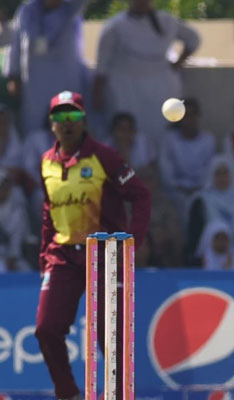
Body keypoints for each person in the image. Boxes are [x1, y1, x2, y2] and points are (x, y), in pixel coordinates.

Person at [34, 91, 150, 400]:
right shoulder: (46, 162)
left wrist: (131, 242)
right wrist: (45, 256)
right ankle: (68, 394)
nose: (66, 123)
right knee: (46, 329)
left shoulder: (104, 156)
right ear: (52, 124)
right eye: (60, 117)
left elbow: (140, 195)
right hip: (62, 255)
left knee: (110, 336)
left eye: (73, 117)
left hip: (105, 252)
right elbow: (49, 212)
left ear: (84, 121)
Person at [92, 0, 200, 144]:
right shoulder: (116, 25)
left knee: (162, 131)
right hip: (126, 89)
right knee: (129, 132)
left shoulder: (166, 20)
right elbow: (102, 64)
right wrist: (97, 93)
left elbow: (193, 39)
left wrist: (177, 64)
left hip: (162, 88)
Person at [4, 0, 89, 135]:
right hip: (34, 85)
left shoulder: (71, 9)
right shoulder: (26, 11)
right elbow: (15, 45)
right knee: (34, 128)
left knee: (66, 127)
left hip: (65, 81)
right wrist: (13, 76)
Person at [186, 155, 234, 267]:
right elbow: (195, 238)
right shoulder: (202, 201)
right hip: (210, 259)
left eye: (226, 173)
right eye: (218, 173)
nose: (222, 178)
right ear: (211, 176)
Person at [158, 97, 216, 219]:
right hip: (176, 190)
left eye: (193, 114)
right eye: (185, 115)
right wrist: (179, 187)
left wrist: (198, 187)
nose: (189, 119)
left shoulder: (208, 139)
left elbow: (210, 168)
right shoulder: (169, 139)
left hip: (201, 189)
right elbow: (166, 168)